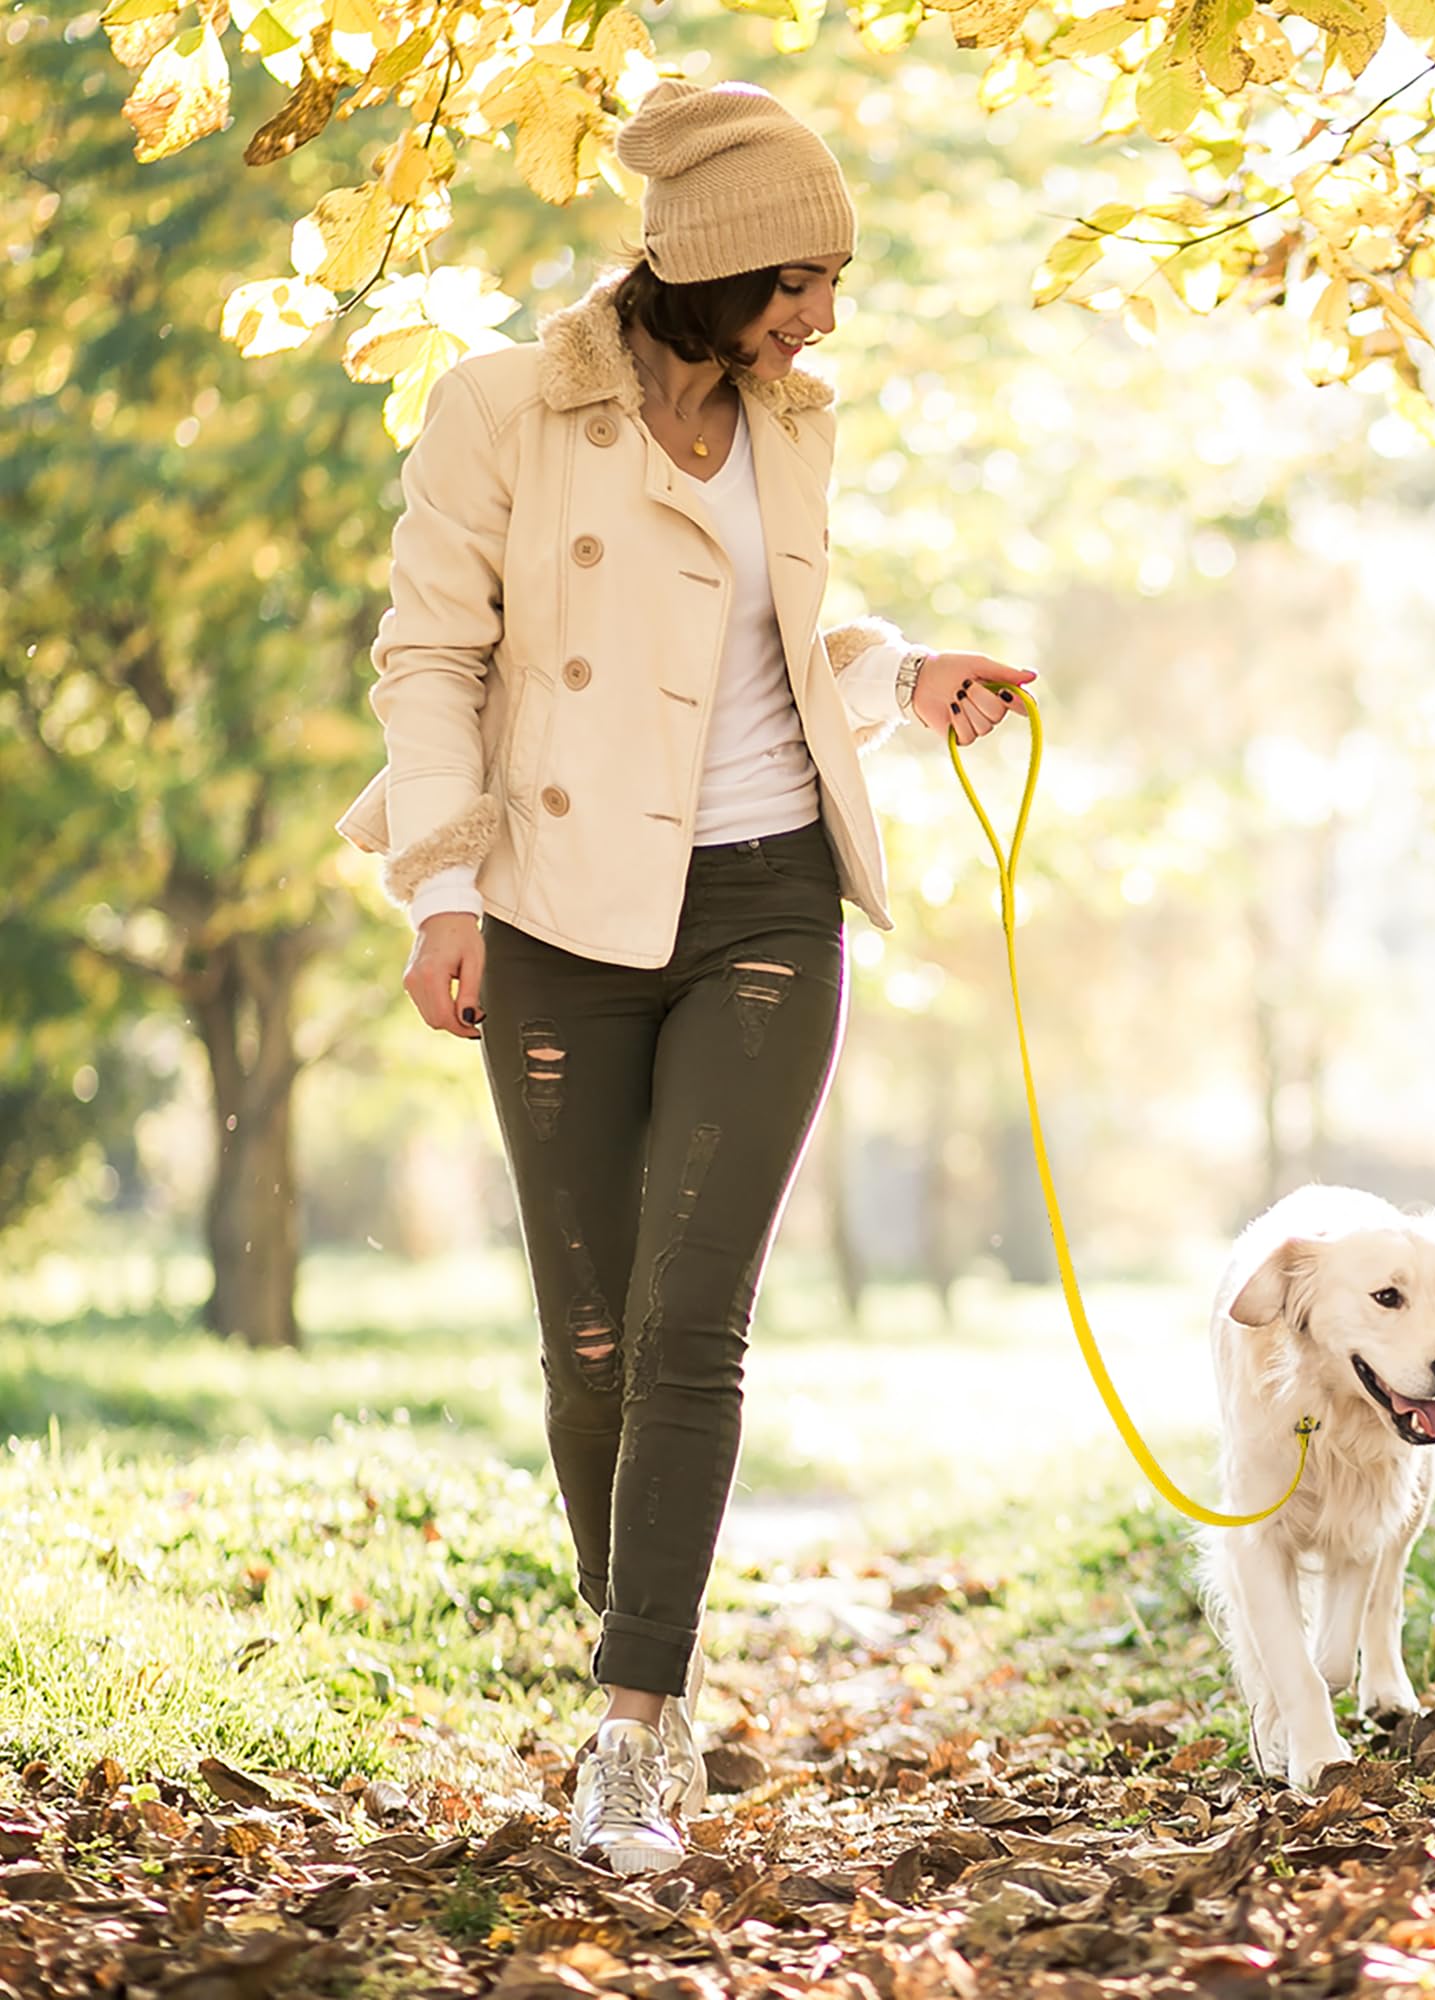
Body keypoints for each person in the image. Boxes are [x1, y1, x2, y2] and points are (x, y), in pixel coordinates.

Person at [335, 74, 1035, 1874]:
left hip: (766, 904)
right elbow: (431, 660)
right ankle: (648, 1647)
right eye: (802, 276)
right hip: (563, 908)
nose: (825, 312)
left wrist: (907, 676)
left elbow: (783, 643)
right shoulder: (503, 408)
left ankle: (629, 1733)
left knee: (686, 1318)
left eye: (834, 278)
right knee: (588, 1343)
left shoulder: (791, 423)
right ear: (714, 261)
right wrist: (445, 888)